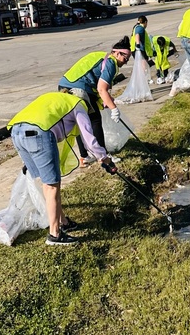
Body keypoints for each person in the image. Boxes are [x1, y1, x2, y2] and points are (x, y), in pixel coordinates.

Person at [7, 91, 113, 246]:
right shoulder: (78, 104)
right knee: (52, 186)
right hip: (39, 133)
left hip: (16, 132)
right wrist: (104, 158)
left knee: (45, 183)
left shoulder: (56, 98)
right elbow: (89, 139)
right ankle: (55, 235)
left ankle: (63, 222)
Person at [58, 38, 131, 165]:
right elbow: (102, 89)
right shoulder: (111, 63)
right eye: (125, 59)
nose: (125, 62)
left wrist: (107, 101)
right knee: (95, 120)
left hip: (64, 85)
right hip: (78, 89)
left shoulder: (102, 57)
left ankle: (85, 157)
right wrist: (114, 109)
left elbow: (100, 87)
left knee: (79, 121)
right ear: (117, 53)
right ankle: (104, 156)